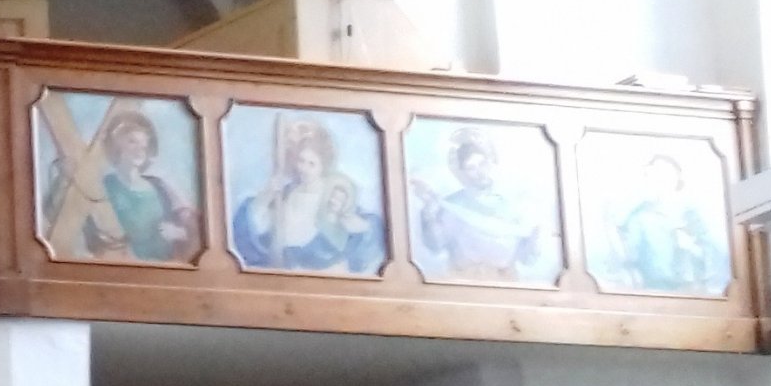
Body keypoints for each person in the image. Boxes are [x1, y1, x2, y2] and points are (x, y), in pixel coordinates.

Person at [230, 116, 382, 273]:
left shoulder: (332, 194)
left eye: (311, 164)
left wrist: (348, 220)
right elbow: (257, 228)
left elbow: (363, 230)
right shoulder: (285, 194)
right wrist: (266, 196)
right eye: (301, 161)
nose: (304, 169)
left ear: (323, 166)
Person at [413, 128, 550, 281]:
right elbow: (435, 245)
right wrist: (429, 214)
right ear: (462, 171)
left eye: (483, 163)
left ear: (490, 162)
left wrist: (536, 238)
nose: (480, 172)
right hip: (461, 284)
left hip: (506, 285)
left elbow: (527, 259)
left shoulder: (513, 206)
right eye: (471, 167)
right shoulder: (453, 205)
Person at [78, 109, 200, 263]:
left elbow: (194, 229)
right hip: (117, 268)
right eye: (132, 142)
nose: (139, 150)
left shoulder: (160, 187)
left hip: (162, 270)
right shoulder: (104, 187)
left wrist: (179, 232)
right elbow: (83, 227)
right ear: (117, 144)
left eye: (144, 145)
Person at [609, 152, 724, 293]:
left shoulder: (691, 214)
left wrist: (691, 248)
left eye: (665, 175)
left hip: (693, 294)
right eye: (655, 176)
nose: (660, 181)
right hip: (655, 293)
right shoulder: (640, 218)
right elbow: (627, 259)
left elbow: (716, 258)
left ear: (676, 178)